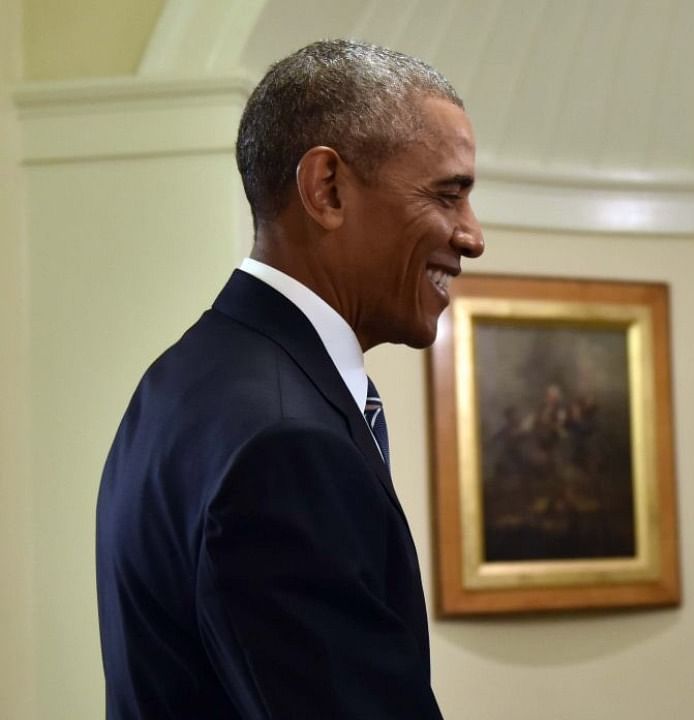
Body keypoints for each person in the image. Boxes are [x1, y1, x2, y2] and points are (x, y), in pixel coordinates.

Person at [96, 39, 483, 719]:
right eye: (447, 195)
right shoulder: (288, 440)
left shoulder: (184, 380)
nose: (472, 235)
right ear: (327, 188)